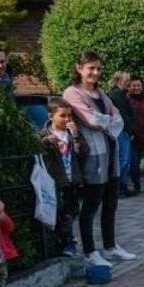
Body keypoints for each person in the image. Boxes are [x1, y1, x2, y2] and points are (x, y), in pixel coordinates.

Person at [63, 51, 136, 267]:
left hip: (110, 153)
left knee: (111, 203)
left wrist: (106, 121)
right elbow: (90, 119)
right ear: (79, 68)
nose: (95, 72)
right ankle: (90, 251)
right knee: (91, 204)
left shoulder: (101, 93)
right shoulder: (72, 93)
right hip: (92, 157)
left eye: (98, 68)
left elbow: (118, 119)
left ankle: (111, 246)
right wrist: (107, 121)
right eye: (90, 68)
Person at [39, 98, 88, 258]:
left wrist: (75, 136)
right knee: (58, 214)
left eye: (70, 116)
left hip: (72, 180)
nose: (67, 119)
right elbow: (37, 155)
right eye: (63, 116)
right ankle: (63, 243)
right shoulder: (43, 135)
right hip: (55, 181)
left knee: (70, 213)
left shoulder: (72, 133)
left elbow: (83, 153)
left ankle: (68, 243)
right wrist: (44, 142)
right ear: (51, 116)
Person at [108, 72, 136, 197]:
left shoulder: (121, 94)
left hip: (123, 131)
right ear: (119, 81)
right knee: (122, 160)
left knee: (125, 160)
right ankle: (119, 188)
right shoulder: (116, 95)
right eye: (127, 80)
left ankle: (122, 186)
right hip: (121, 131)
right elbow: (123, 115)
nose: (129, 82)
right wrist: (128, 131)